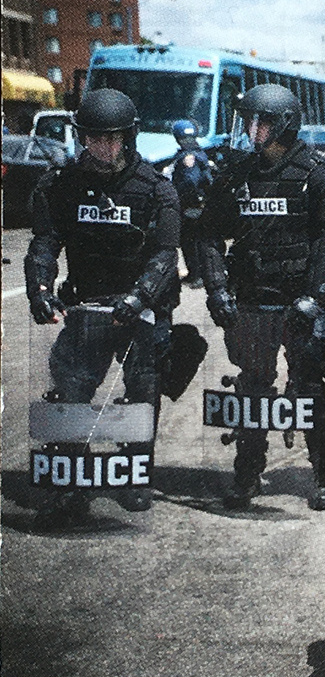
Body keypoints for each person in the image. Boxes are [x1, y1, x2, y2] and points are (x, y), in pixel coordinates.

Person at [24, 88, 181, 527]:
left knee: (142, 392)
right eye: (95, 138)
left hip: (141, 308)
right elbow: (44, 242)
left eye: (113, 139)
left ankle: (135, 474)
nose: (104, 148)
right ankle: (72, 478)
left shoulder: (156, 188)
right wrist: (39, 288)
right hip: (87, 305)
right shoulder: (60, 183)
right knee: (71, 389)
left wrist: (141, 296)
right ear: (82, 138)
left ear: (128, 137)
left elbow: (166, 254)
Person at [198, 83, 325, 511]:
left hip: (298, 304)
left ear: (283, 124)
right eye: (248, 120)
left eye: (260, 121)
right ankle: (247, 475)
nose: (251, 129)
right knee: (252, 389)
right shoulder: (236, 176)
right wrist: (217, 289)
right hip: (250, 301)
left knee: (307, 387)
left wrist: (315, 297)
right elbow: (208, 233)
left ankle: (324, 476)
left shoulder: (319, 176)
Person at [170, 119, 213, 288]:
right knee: (198, 240)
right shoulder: (200, 153)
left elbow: (190, 182)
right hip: (199, 205)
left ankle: (196, 276)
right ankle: (199, 274)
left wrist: (182, 198)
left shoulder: (188, 157)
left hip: (191, 206)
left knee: (190, 241)